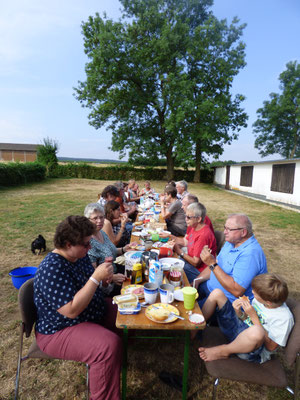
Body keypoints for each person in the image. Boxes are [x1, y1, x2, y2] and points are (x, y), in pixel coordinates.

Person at [34, 215, 122, 400]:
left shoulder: (78, 256)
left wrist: (104, 282)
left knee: (128, 315)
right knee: (106, 346)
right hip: (59, 329)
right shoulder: (51, 268)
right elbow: (71, 310)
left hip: (89, 313)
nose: (89, 248)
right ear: (67, 244)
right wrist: (95, 278)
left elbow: (90, 287)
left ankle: (116, 365)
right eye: (85, 244)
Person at [199, 273, 294, 363]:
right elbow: (247, 320)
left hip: (252, 350)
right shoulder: (261, 301)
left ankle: (223, 351)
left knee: (257, 331)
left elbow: (270, 347)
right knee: (217, 293)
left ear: (268, 302)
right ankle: (194, 330)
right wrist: (239, 313)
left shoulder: (284, 318)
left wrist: (254, 317)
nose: (252, 292)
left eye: (256, 293)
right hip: (239, 331)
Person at [194, 213, 267, 307]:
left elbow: (237, 291)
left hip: (225, 302)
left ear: (243, 232)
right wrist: (197, 280)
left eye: (229, 229)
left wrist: (211, 263)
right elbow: (215, 266)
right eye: (225, 228)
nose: (224, 232)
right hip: (208, 287)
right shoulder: (231, 242)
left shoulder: (251, 254)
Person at [84, 203, 136, 295]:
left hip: (116, 270)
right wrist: (112, 277)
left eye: (101, 217)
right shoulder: (89, 242)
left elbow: (111, 251)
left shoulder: (101, 232)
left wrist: (124, 249)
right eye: (95, 218)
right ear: (87, 220)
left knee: (138, 270)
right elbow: (94, 274)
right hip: (108, 285)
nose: (99, 221)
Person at [173, 203, 217, 283]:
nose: (186, 219)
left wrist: (180, 252)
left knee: (173, 269)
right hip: (191, 264)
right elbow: (185, 242)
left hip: (200, 272)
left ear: (199, 219)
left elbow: (195, 262)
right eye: (185, 216)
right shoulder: (194, 227)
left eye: (189, 217)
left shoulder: (203, 235)